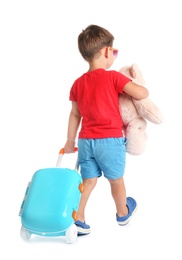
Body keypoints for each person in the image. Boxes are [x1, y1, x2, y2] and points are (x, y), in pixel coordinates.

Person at [64, 24, 149, 235]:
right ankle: (123, 212)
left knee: (88, 181)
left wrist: (69, 141)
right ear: (105, 51)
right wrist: (143, 87)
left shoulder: (77, 83)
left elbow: (75, 114)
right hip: (110, 141)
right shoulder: (113, 77)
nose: (114, 56)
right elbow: (139, 93)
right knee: (116, 180)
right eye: (114, 51)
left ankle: (79, 218)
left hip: (85, 142)